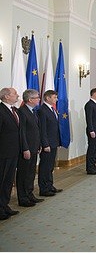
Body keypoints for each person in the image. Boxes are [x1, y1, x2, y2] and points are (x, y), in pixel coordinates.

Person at [0, 88, 27, 220]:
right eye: (14, 94)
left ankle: (4, 205)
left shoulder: (14, 110)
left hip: (13, 152)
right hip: (3, 153)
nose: (17, 95)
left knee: (8, 181)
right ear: (6, 96)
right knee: (2, 180)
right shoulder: (1, 111)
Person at [16, 89, 43, 206]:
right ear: (30, 99)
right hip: (26, 149)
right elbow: (22, 132)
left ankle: (30, 194)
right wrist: (25, 148)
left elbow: (36, 130)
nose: (39, 99)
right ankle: (23, 198)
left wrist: (39, 145)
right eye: (37, 97)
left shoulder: (33, 111)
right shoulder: (22, 111)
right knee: (24, 174)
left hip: (34, 147)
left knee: (31, 172)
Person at [38, 90, 62, 196]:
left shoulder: (52, 109)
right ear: (47, 98)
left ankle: (50, 185)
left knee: (50, 166)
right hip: (47, 143)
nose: (56, 99)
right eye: (54, 97)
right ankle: (44, 189)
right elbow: (42, 129)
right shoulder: (42, 110)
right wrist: (45, 144)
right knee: (45, 167)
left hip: (54, 142)